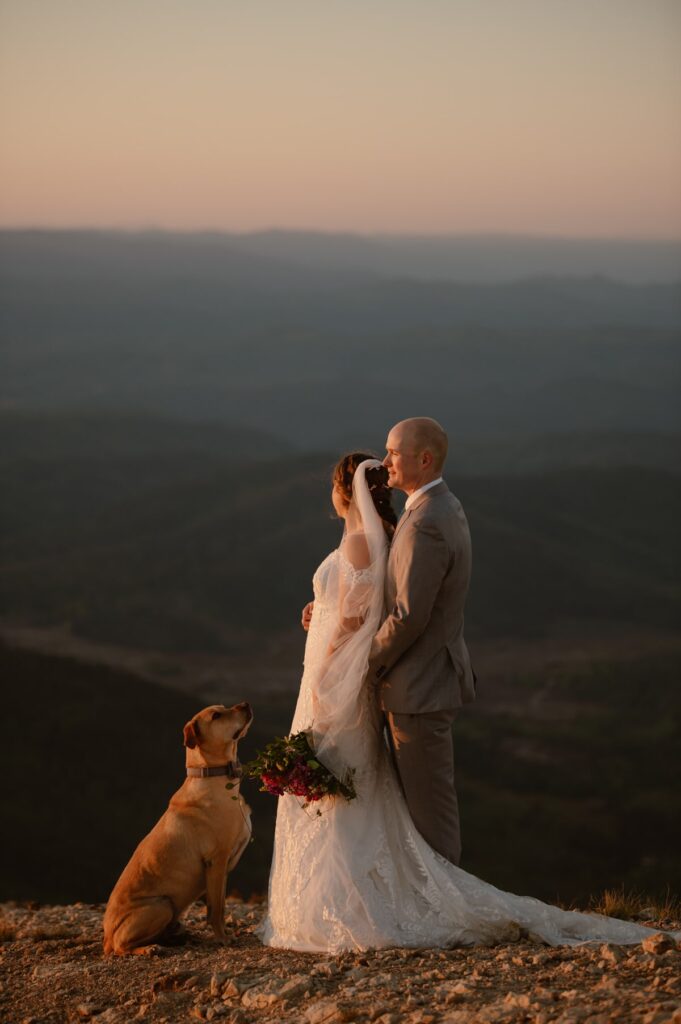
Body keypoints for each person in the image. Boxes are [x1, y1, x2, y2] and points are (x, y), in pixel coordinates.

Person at [258, 430, 678, 953]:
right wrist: (319, 614)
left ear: (423, 458)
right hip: (402, 684)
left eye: (395, 452)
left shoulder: (423, 522)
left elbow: (404, 618)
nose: (387, 460)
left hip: (411, 683)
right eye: (383, 456)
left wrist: (352, 668)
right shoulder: (421, 514)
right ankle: (411, 896)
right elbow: (370, 600)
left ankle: (441, 904)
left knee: (423, 809)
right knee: (386, 802)